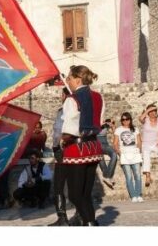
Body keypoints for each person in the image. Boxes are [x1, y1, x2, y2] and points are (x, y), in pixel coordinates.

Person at [57, 65, 105, 226]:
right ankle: (89, 223)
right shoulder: (98, 97)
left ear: (78, 79)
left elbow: (70, 129)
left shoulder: (72, 99)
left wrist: (62, 139)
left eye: (69, 79)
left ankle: (90, 223)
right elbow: (100, 122)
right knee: (85, 194)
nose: (68, 82)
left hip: (77, 149)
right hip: (94, 147)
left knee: (75, 195)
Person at [48, 91, 71, 226]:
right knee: (76, 186)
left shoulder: (63, 111)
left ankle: (62, 217)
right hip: (78, 150)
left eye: (62, 95)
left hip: (64, 150)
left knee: (59, 185)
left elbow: (57, 131)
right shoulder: (80, 108)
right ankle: (81, 215)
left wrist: (56, 147)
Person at [137, 104, 158, 188]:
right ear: (148, 113)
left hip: (156, 143)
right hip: (146, 144)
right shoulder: (145, 120)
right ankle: (148, 176)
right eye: (150, 112)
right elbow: (140, 118)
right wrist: (148, 110)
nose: (152, 113)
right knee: (146, 155)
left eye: (154, 111)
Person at [113, 112, 143, 202]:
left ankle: (138, 194)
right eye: (123, 120)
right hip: (124, 155)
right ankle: (133, 195)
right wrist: (119, 153)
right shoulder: (118, 130)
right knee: (129, 176)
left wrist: (139, 151)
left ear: (130, 120)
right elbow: (115, 143)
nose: (125, 121)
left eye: (127, 119)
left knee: (137, 175)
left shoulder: (135, 129)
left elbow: (139, 142)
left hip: (135, 154)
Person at [97, 118, 118, 189]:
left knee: (114, 154)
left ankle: (107, 176)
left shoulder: (105, 123)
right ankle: (109, 176)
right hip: (96, 143)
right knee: (100, 157)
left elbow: (115, 133)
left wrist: (112, 125)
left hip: (105, 144)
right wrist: (101, 124)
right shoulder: (92, 121)